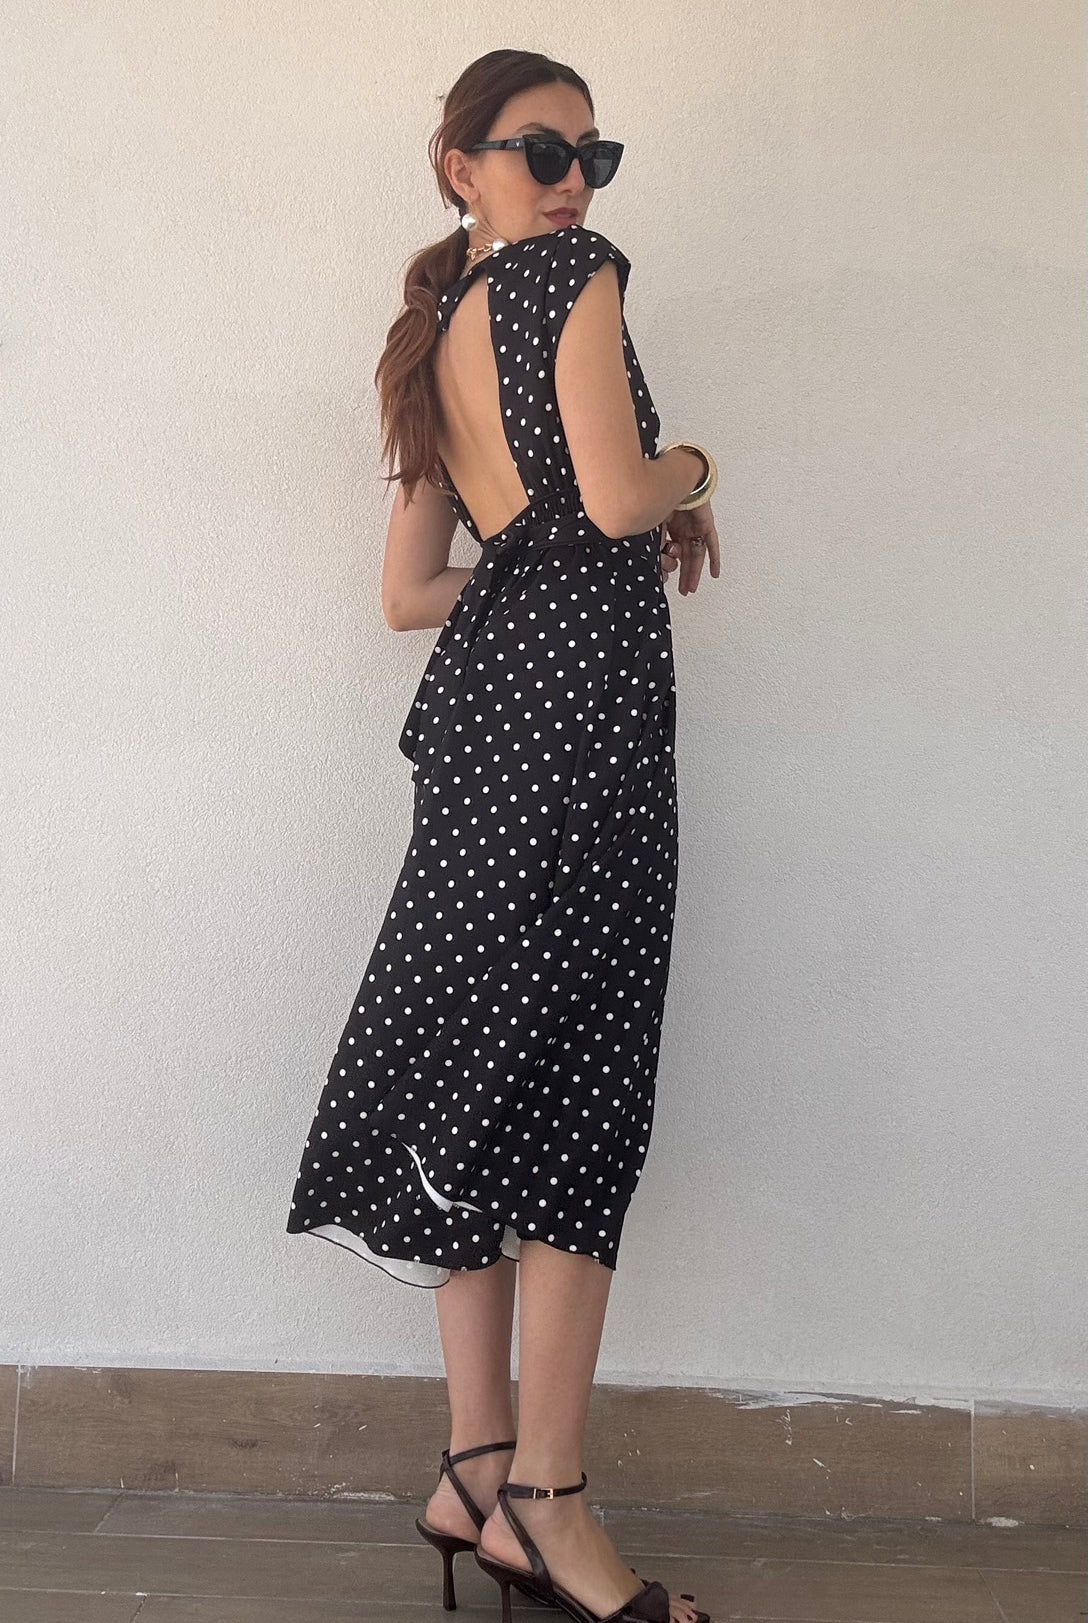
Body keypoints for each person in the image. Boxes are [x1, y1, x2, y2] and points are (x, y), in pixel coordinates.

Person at [287, 48, 720, 1623]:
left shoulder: (429, 340)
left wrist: (538, 567)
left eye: (595, 156)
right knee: (579, 1093)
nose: (573, 180)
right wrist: (695, 470)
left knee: (484, 1080)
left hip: (483, 745)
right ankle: (549, 1502)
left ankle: (474, 1469)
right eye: (542, 149)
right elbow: (614, 498)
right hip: (583, 741)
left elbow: (414, 593)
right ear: (458, 163)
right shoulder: (570, 277)